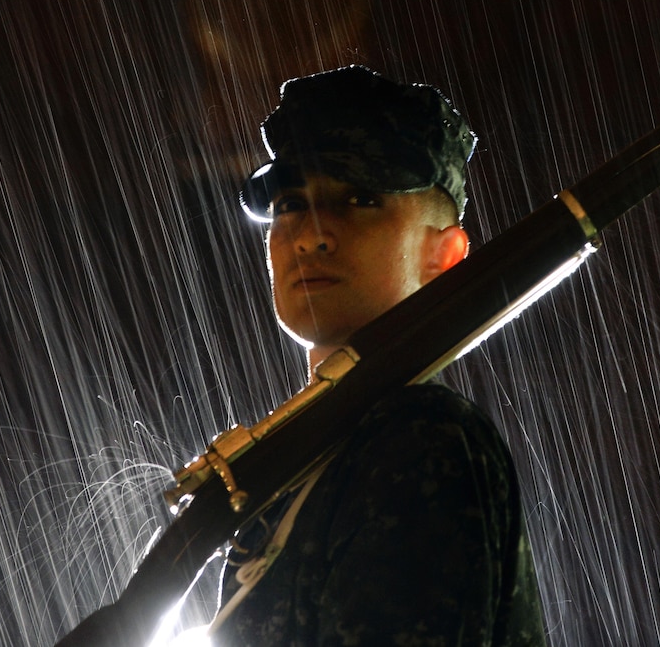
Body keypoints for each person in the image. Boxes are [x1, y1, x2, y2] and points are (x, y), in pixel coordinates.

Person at [210, 65, 547, 645]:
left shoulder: (419, 438)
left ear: (444, 257)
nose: (312, 233)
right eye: (290, 203)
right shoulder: (315, 454)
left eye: (360, 199)